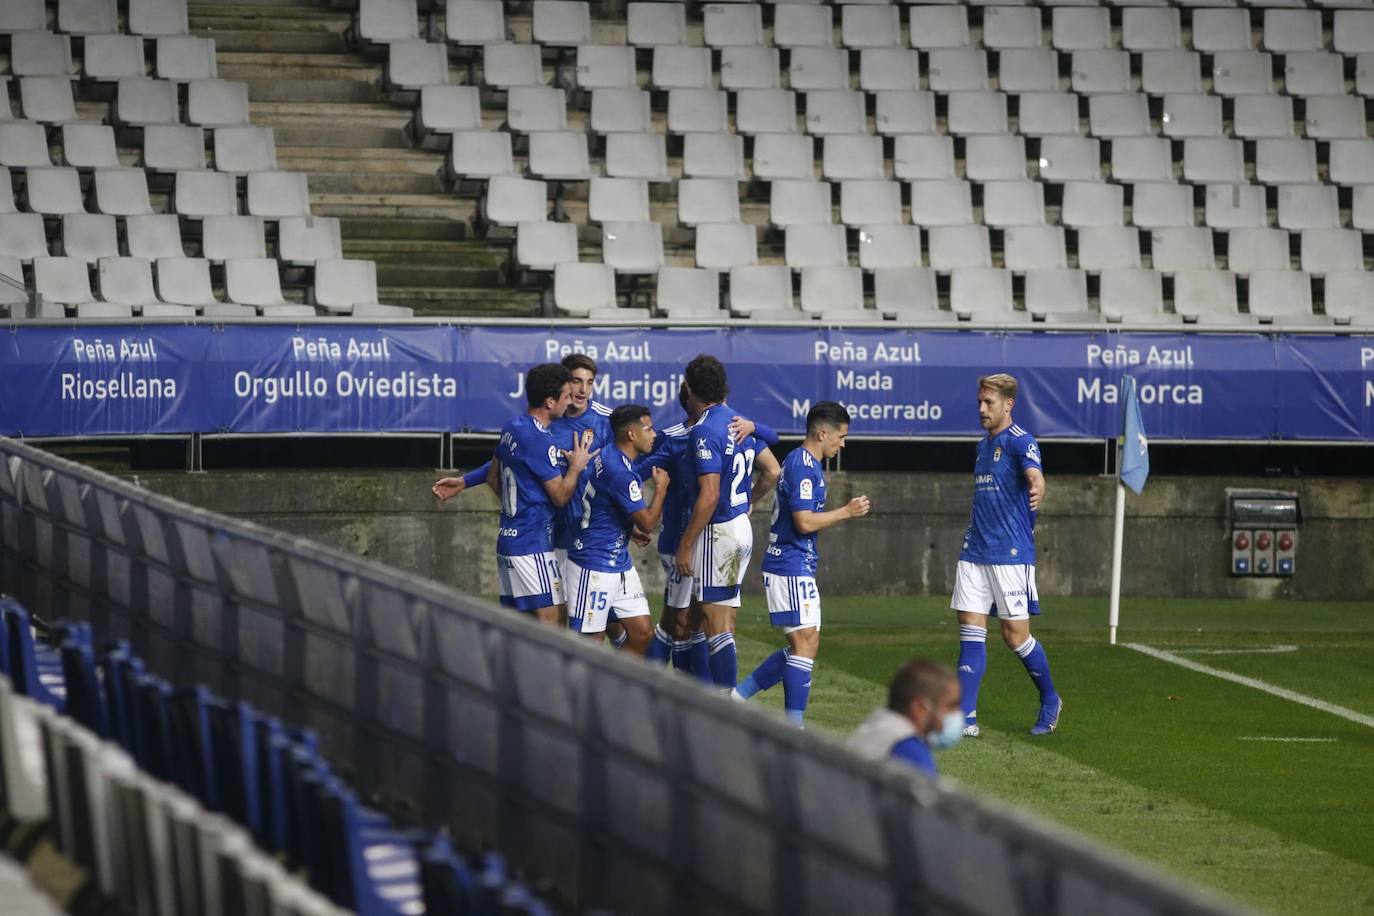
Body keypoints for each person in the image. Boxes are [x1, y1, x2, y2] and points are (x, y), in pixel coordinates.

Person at [731, 401, 870, 727]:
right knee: (804, 642)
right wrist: (846, 512)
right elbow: (804, 522)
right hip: (788, 565)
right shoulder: (802, 466)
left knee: (804, 643)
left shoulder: (805, 464)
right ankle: (795, 727)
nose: (843, 443)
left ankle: (737, 698)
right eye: (841, 436)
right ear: (822, 433)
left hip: (795, 565)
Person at [951, 373, 1062, 737]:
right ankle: (965, 718)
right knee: (970, 632)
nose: (982, 409)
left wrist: (1038, 483)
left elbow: (1035, 474)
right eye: (980, 402)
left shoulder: (1021, 442)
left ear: (1008, 404)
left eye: (989, 403)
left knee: (1014, 636)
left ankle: (1050, 699)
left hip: (1010, 554)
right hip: (974, 551)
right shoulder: (983, 446)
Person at [674, 356, 780, 690]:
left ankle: (726, 703)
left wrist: (686, 544)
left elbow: (708, 496)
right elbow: (773, 470)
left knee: (714, 623)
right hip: (740, 527)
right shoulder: (739, 423)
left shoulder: (705, 430)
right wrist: (747, 500)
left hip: (718, 532)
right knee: (722, 617)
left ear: (690, 389)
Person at [487, 363, 593, 625]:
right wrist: (576, 467)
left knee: (518, 629)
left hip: (508, 540)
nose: (569, 402)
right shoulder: (540, 440)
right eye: (566, 396)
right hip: (532, 543)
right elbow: (560, 496)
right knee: (552, 626)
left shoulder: (513, 426)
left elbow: (492, 477)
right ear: (549, 401)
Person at [565, 405, 669, 645]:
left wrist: (626, 530)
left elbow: (604, 505)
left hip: (618, 560)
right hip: (593, 563)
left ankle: (611, 684)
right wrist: (661, 489)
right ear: (632, 434)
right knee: (589, 641)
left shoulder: (609, 454)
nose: (654, 434)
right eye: (648, 429)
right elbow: (648, 523)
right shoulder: (620, 471)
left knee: (642, 633)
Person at [846, 659, 963, 778]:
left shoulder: (876, 723)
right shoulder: (909, 751)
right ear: (920, 708)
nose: (958, 713)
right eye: (952, 705)